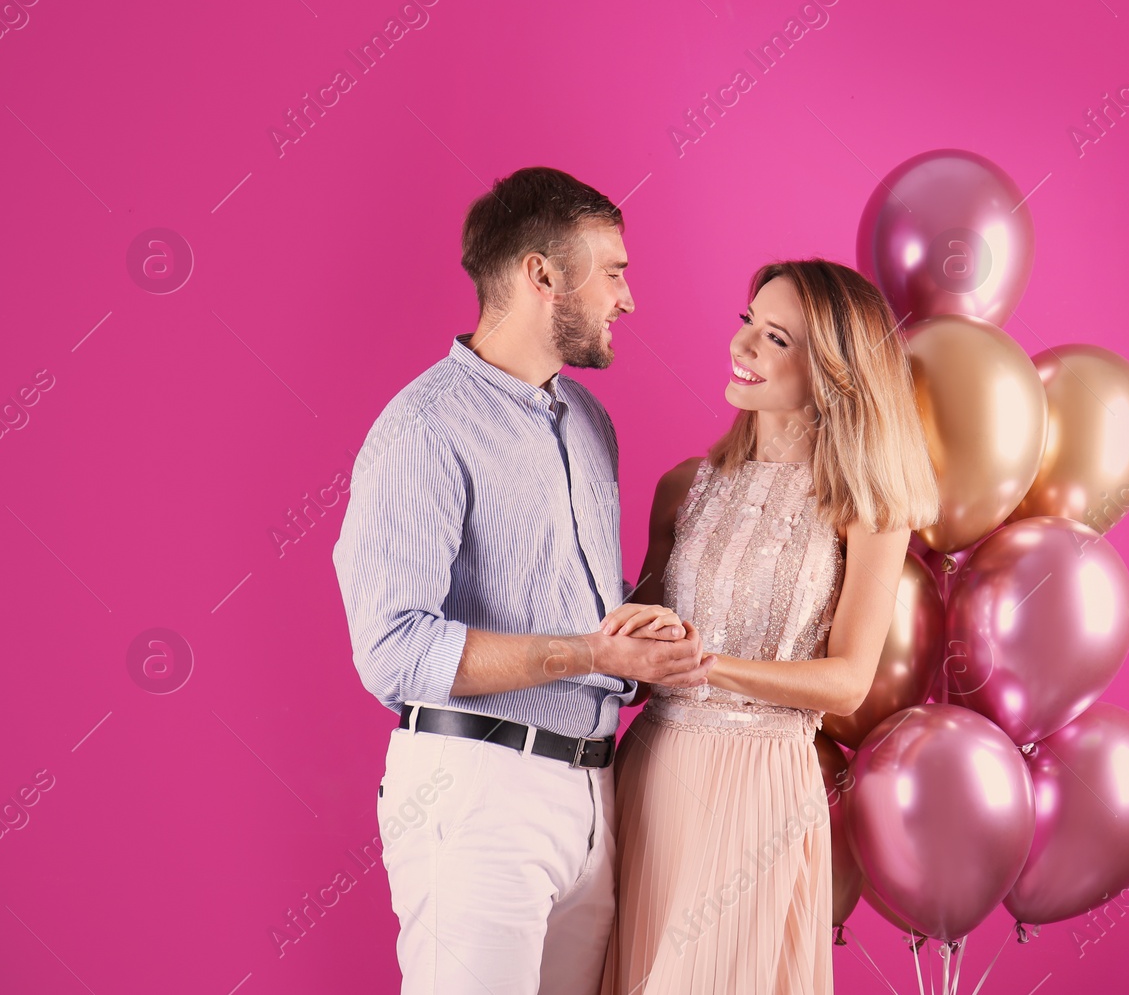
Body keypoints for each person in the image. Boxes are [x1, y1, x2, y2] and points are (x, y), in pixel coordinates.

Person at [332, 166, 710, 995]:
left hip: (592, 792)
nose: (629, 298)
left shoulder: (586, 421)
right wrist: (589, 651)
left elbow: (584, 609)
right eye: (613, 270)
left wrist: (643, 636)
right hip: (476, 794)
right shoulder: (423, 430)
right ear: (543, 275)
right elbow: (393, 649)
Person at [599, 259, 941, 993]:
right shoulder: (683, 487)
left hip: (761, 790)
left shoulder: (867, 507)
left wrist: (706, 664)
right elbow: (635, 665)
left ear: (834, 373)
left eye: (775, 337)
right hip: (653, 774)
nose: (743, 346)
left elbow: (848, 682)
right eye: (746, 321)